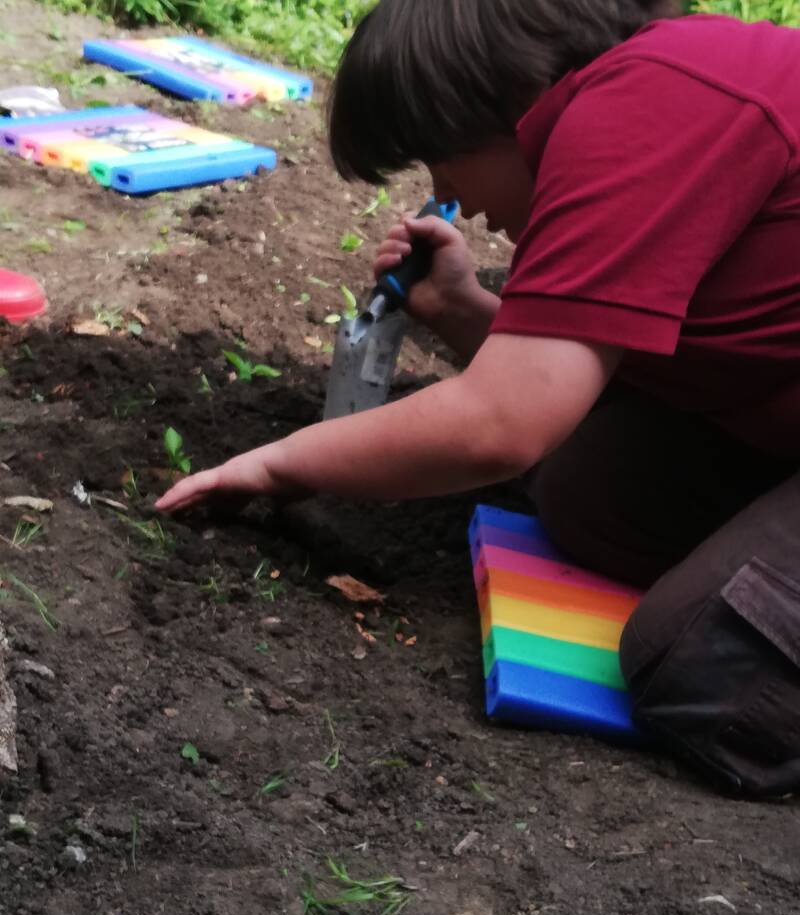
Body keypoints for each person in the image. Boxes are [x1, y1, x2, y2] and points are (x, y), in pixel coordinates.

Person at [157, 0, 800, 796]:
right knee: (586, 488)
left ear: (498, 101)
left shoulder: (646, 108)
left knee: (703, 667)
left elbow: (502, 423)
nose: (449, 195)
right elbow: (563, 381)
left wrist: (278, 465)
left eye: (440, 161)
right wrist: (462, 310)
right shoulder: (644, 94)